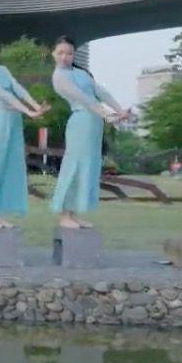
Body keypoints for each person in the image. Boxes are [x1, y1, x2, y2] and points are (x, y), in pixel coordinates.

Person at [48, 36, 129, 229]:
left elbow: (100, 92)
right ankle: (63, 214)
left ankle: (74, 213)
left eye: (69, 53)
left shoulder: (81, 73)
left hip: (94, 123)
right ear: (53, 54)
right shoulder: (59, 77)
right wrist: (107, 115)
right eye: (60, 53)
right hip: (81, 121)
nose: (65, 57)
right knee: (74, 166)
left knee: (88, 168)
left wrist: (119, 110)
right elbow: (84, 99)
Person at [0, 36, 48, 229]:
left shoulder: (3, 70)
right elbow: (4, 94)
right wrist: (29, 111)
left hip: (14, 119)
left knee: (11, 166)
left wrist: (35, 105)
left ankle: (0, 212)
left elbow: (17, 88)